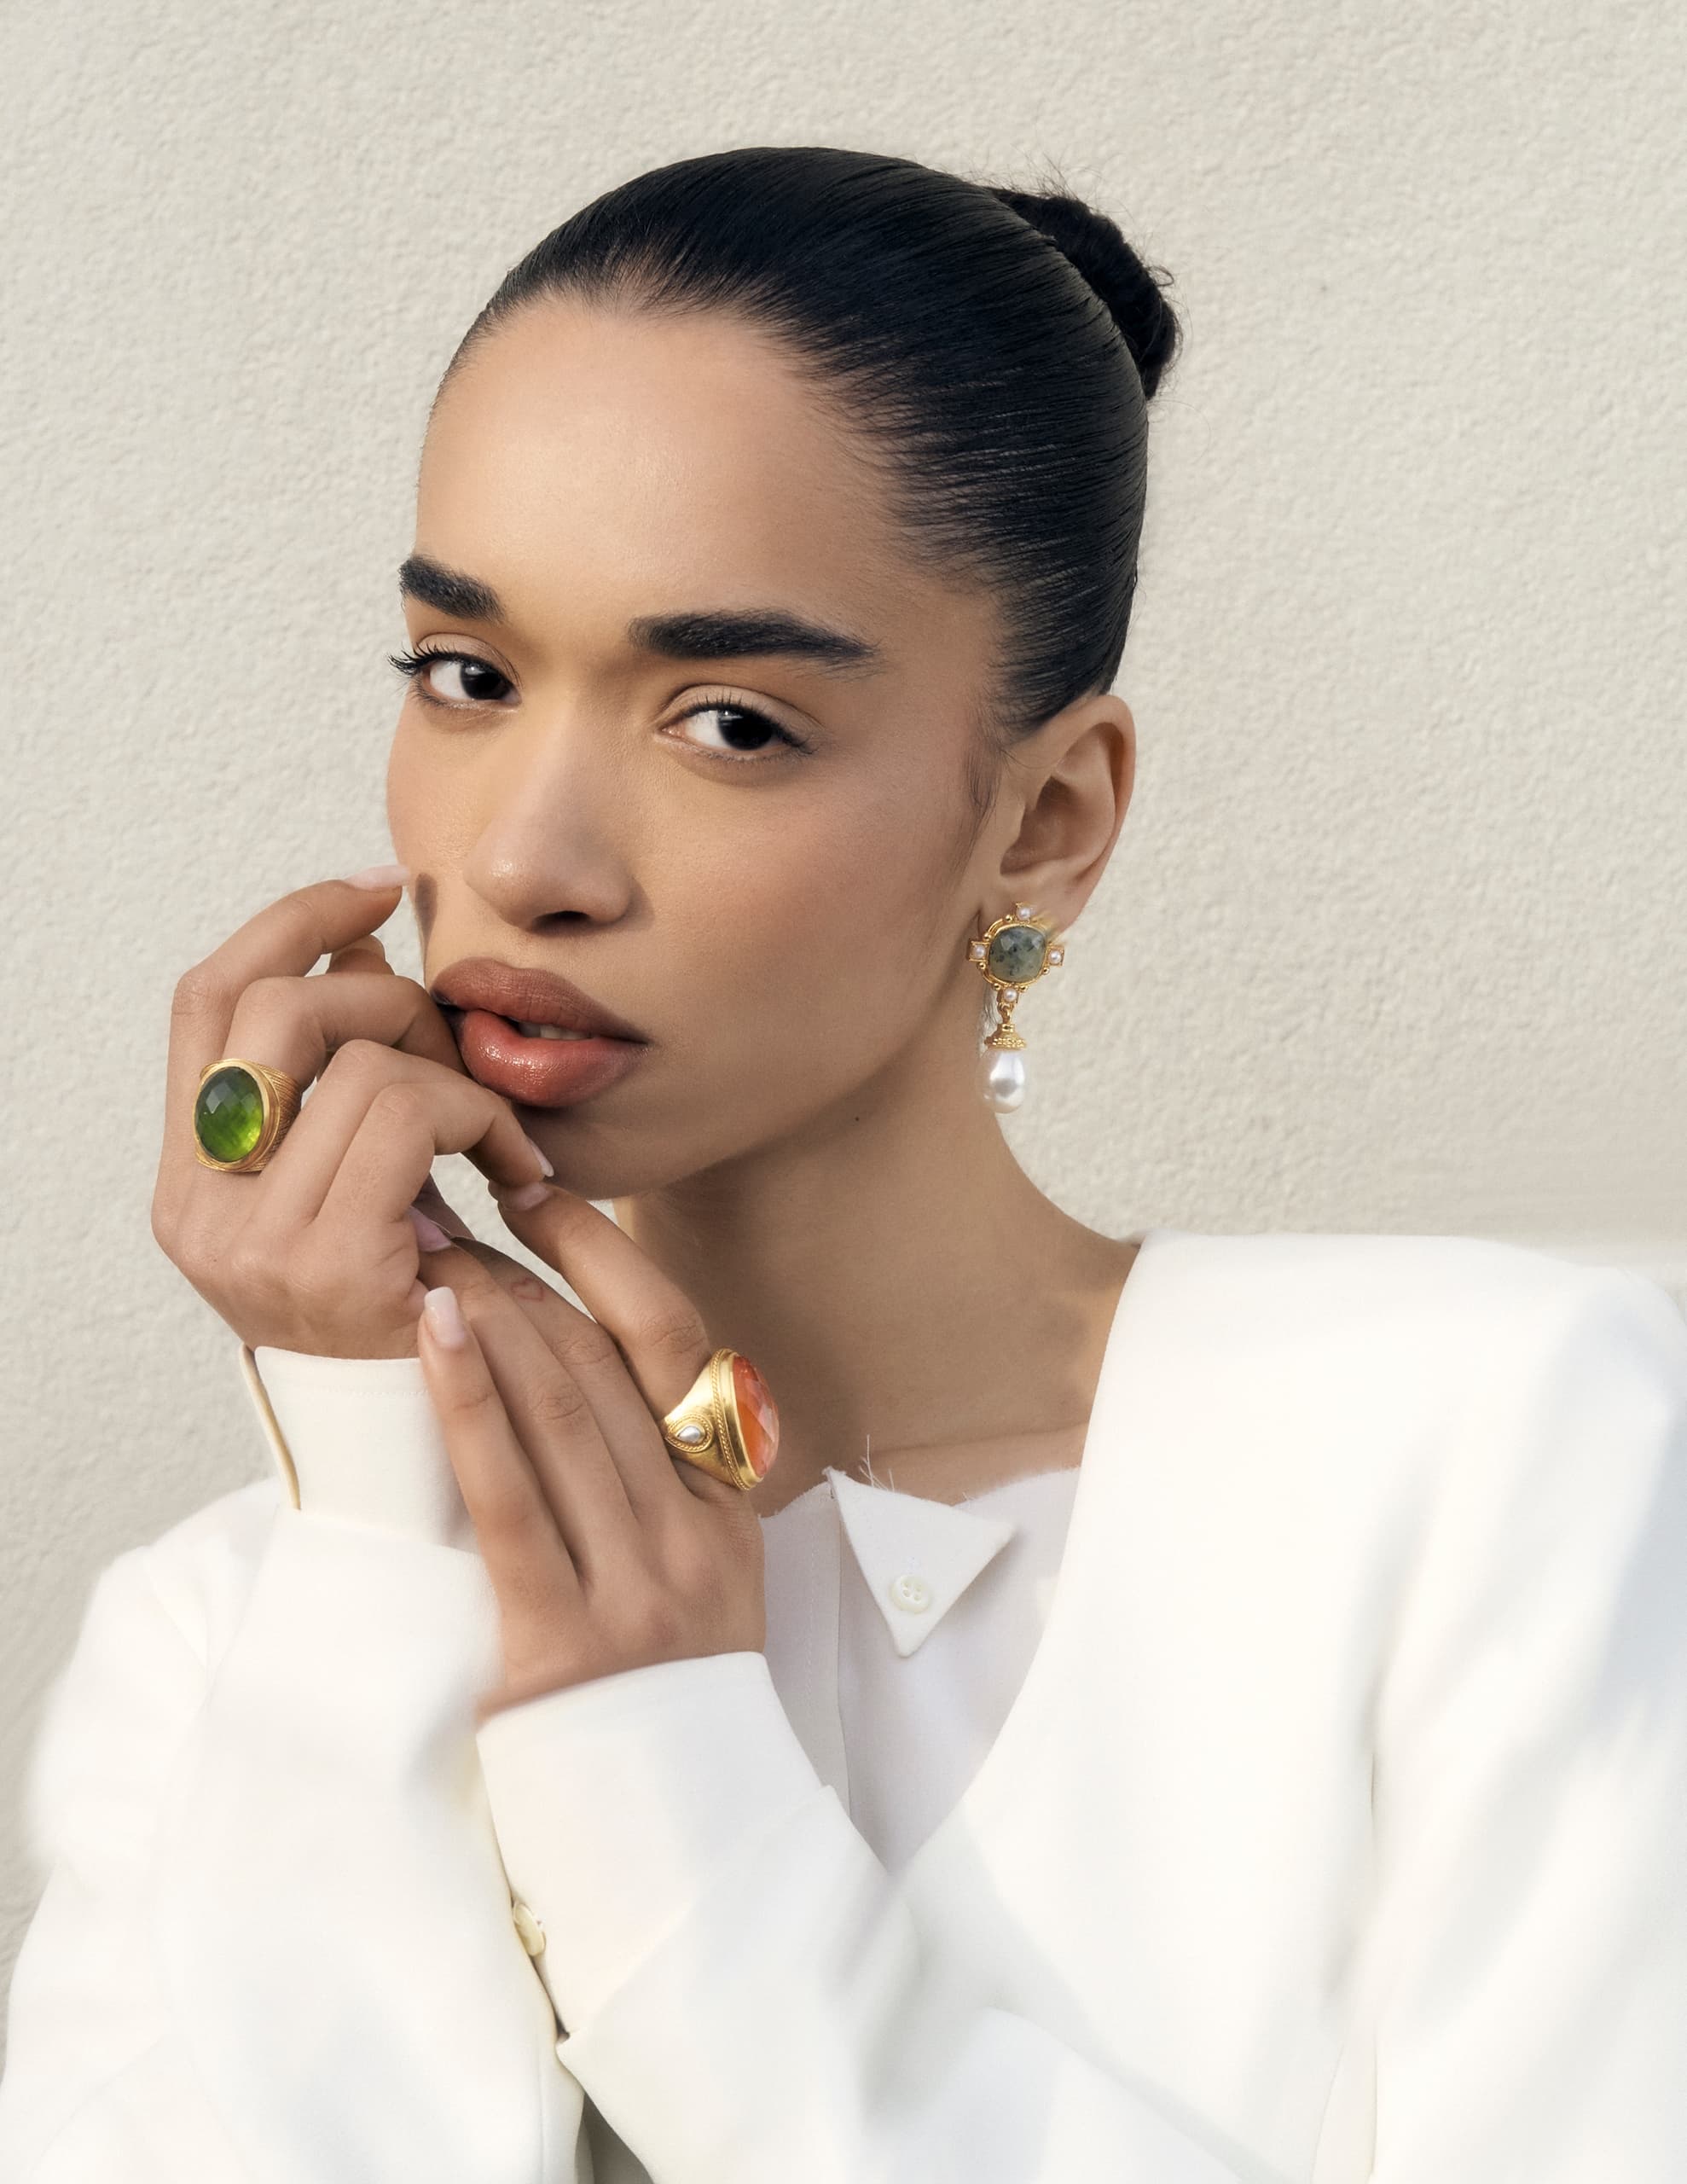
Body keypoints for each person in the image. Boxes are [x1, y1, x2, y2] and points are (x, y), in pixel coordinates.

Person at [2, 143, 1684, 2184]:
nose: (525, 859)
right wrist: (388, 1506)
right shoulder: (237, 1629)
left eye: (725, 720)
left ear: (1046, 818)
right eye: (468, 675)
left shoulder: (1495, 1447)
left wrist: (669, 1789)